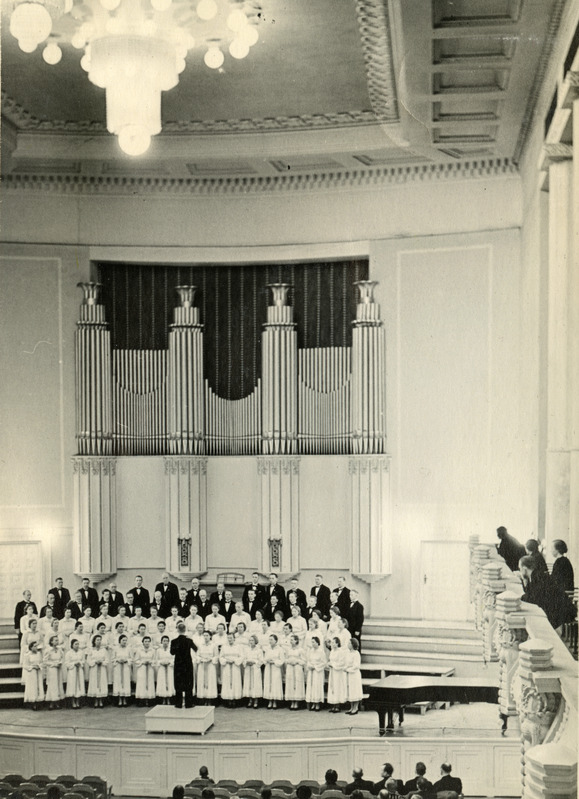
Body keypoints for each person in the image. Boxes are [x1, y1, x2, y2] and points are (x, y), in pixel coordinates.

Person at [519, 555, 576, 631]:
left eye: (520, 569)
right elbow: (531, 593)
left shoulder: (538, 577)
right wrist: (524, 581)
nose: (520, 571)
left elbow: (533, 598)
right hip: (557, 609)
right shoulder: (536, 574)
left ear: (524, 568)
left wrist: (519, 598)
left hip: (560, 612)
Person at [170, 622, 197, 708]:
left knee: (178, 682)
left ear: (177, 630)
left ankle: (178, 703)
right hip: (187, 664)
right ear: (185, 630)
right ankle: (189, 703)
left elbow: (172, 652)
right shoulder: (189, 640)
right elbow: (196, 649)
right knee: (188, 683)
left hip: (178, 664)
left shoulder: (174, 641)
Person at [219, 632, 243, 706]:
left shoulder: (238, 646)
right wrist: (226, 661)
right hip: (227, 666)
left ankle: (235, 699)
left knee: (235, 681)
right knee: (227, 682)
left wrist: (235, 661)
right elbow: (221, 657)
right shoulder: (224, 647)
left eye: (231, 638)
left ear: (234, 638)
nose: (229, 639)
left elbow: (241, 656)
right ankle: (228, 699)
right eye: (228, 638)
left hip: (235, 666)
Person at [263, 633, 285, 708]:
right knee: (269, 683)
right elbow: (264, 659)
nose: (270, 641)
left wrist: (274, 661)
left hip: (275, 668)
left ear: (276, 641)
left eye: (271, 640)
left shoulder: (280, 649)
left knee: (275, 683)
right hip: (268, 667)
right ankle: (270, 700)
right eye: (269, 640)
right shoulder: (267, 649)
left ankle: (275, 701)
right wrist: (267, 661)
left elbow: (282, 660)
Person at [196, 630, 218, 703]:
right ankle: (203, 698)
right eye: (204, 636)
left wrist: (211, 659)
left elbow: (216, 656)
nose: (205, 637)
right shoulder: (200, 645)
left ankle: (210, 699)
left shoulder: (214, 645)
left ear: (210, 636)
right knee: (202, 680)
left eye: (207, 635)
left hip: (210, 665)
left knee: (210, 680)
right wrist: (201, 659)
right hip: (202, 665)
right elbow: (197, 655)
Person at [87, 633, 108, 707]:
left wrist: (102, 662)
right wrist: (95, 662)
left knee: (102, 683)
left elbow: (107, 660)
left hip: (102, 668)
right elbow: (88, 660)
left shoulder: (104, 650)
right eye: (97, 640)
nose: (99, 641)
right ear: (94, 641)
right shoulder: (91, 650)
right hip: (94, 668)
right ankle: (96, 701)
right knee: (94, 683)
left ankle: (101, 700)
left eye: (100, 640)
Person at [305, 635, 326, 711]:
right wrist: (310, 666)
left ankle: (317, 703)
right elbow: (308, 660)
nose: (312, 644)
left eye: (313, 642)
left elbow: (324, 662)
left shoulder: (321, 651)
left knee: (316, 686)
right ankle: (313, 703)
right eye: (312, 642)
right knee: (311, 686)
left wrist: (316, 667)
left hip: (317, 671)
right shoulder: (311, 651)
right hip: (311, 671)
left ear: (317, 643)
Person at [285, 634, 305, 709]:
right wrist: (289, 661)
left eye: (292, 640)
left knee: (297, 684)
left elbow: (304, 660)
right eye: (290, 640)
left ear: (296, 641)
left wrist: (297, 661)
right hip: (290, 667)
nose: (290, 641)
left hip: (297, 667)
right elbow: (285, 659)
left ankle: (296, 702)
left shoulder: (300, 650)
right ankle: (292, 701)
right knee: (290, 683)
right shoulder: (288, 650)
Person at [43, 634, 64, 709]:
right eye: (55, 640)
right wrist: (54, 664)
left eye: (57, 640)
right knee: (52, 685)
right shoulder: (48, 650)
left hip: (58, 669)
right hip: (52, 669)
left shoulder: (60, 650)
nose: (57, 641)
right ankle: (52, 702)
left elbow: (62, 658)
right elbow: (45, 661)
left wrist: (60, 663)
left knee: (58, 684)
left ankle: (57, 702)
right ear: (51, 642)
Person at [242, 634, 263, 708]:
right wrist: (246, 662)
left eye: (252, 640)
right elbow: (244, 658)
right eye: (250, 640)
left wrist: (254, 662)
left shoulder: (259, 650)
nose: (251, 642)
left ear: (255, 641)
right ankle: (250, 700)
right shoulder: (246, 649)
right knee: (249, 683)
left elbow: (261, 660)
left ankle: (256, 701)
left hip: (255, 668)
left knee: (255, 683)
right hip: (248, 668)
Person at [135, 635, 156, 706]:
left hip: (150, 668)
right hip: (142, 668)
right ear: (143, 642)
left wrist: (150, 662)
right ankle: (142, 700)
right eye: (145, 641)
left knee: (150, 683)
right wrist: (142, 662)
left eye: (148, 641)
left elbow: (155, 660)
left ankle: (150, 700)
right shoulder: (139, 650)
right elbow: (136, 660)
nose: (147, 643)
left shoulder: (153, 651)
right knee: (142, 684)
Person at [327, 636, 347, 712]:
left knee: (337, 687)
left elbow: (342, 663)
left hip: (337, 672)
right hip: (332, 671)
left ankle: (337, 705)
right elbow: (330, 660)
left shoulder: (340, 651)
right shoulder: (332, 651)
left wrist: (334, 665)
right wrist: (329, 664)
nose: (332, 644)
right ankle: (333, 704)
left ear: (337, 643)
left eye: (333, 642)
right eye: (331, 642)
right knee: (332, 686)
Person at [22, 641, 44, 709]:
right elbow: (25, 665)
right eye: (34, 646)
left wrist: (39, 666)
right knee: (32, 687)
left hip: (38, 671)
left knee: (39, 685)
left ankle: (38, 701)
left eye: (36, 646)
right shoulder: (27, 655)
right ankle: (33, 702)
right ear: (31, 647)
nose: (36, 647)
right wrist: (32, 667)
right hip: (31, 673)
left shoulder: (39, 654)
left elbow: (42, 662)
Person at [65, 637, 85, 708]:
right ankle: (73, 702)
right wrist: (74, 664)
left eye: (78, 644)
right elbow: (67, 663)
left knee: (79, 685)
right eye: (75, 644)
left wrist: (80, 663)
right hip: (72, 671)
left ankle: (78, 702)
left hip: (79, 670)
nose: (77, 645)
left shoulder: (81, 652)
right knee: (73, 685)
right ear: (72, 645)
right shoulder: (68, 653)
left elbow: (83, 661)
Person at [112, 633, 132, 706]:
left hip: (126, 667)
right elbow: (112, 659)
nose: (124, 642)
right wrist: (118, 660)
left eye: (126, 640)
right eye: (123, 640)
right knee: (119, 682)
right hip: (118, 667)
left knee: (125, 682)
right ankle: (120, 699)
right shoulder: (115, 649)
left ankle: (125, 699)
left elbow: (131, 658)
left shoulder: (129, 649)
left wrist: (126, 660)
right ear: (119, 641)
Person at [345, 638, 363, 714]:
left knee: (355, 690)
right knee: (350, 690)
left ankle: (355, 708)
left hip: (354, 674)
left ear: (353, 645)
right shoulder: (348, 653)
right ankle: (351, 707)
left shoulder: (356, 654)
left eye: (349, 643)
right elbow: (347, 663)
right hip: (349, 674)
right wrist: (346, 668)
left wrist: (348, 669)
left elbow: (356, 666)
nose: (348, 645)